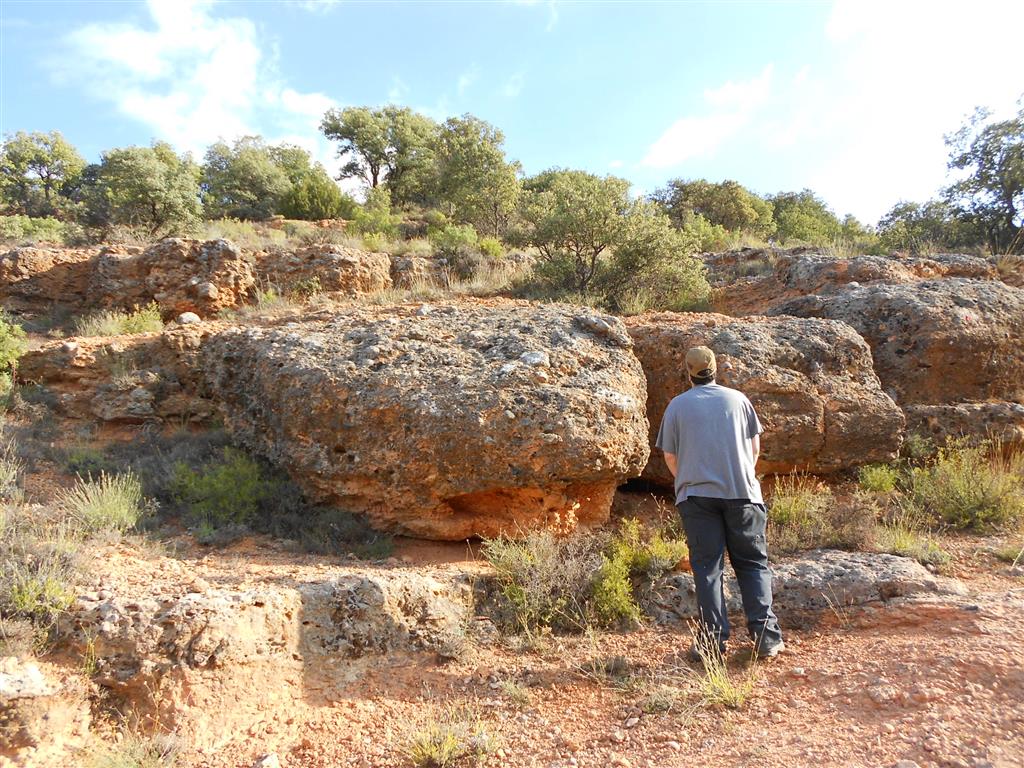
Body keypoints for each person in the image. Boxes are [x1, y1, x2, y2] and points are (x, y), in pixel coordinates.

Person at [656, 345, 784, 660]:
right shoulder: (739, 400)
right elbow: (754, 449)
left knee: (708, 569)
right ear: (716, 369)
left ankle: (713, 644)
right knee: (753, 564)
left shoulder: (677, 406)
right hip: (743, 494)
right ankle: (766, 638)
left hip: (697, 499)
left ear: (688, 372)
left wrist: (687, 478)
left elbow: (670, 456)